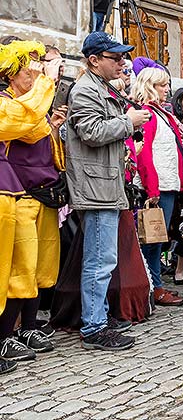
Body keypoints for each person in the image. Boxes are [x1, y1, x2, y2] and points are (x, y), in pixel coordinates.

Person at [66, 32, 151, 351]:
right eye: (115, 58)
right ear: (94, 60)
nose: (121, 62)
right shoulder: (86, 90)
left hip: (104, 182)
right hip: (96, 185)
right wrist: (128, 122)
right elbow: (90, 132)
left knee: (104, 256)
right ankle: (94, 326)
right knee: (99, 259)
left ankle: (97, 314)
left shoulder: (99, 87)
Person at [0, 42, 64, 372]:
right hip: (18, 193)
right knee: (18, 268)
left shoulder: (31, 107)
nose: (35, 73)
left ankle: (28, 327)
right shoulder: (8, 104)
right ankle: (6, 334)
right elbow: (23, 127)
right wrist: (46, 83)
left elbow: (38, 128)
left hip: (43, 193)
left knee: (40, 267)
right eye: (30, 70)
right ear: (11, 74)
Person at [132, 67, 183, 307]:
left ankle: (153, 285)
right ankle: (153, 286)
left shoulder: (159, 113)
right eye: (162, 85)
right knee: (151, 240)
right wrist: (152, 189)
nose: (166, 89)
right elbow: (144, 155)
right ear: (150, 87)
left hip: (167, 183)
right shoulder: (147, 114)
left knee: (157, 239)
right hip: (157, 186)